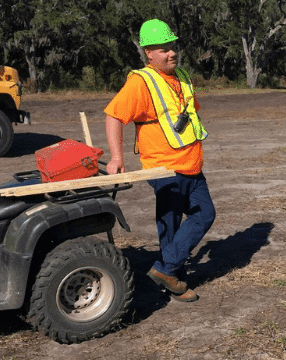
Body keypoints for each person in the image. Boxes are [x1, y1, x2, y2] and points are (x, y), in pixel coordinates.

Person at [104, 19, 215, 302]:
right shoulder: (141, 82)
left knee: (196, 216)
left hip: (191, 164)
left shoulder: (183, 77)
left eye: (172, 46)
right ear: (148, 53)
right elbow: (114, 115)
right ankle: (169, 274)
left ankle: (167, 273)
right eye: (163, 49)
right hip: (164, 167)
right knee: (176, 220)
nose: (171, 53)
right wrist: (116, 157)